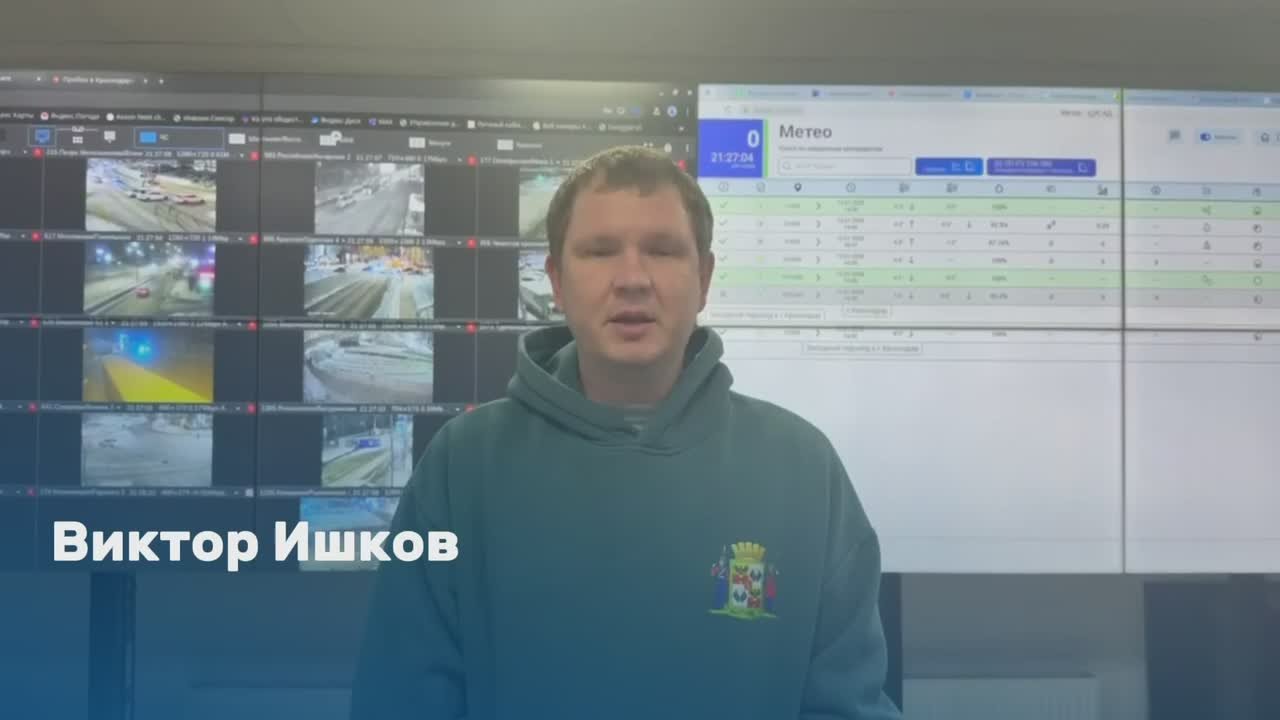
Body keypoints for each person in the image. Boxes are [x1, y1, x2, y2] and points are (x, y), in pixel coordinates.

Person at [349, 145, 902, 719]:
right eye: (599, 251)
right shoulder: (463, 467)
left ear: (704, 278)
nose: (632, 279)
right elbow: (401, 701)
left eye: (662, 250)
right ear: (557, 281)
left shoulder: (803, 472)